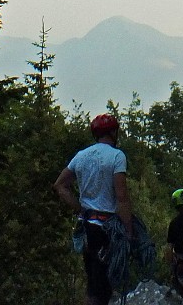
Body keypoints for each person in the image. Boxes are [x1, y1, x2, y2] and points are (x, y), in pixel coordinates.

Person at [53, 113, 135, 305]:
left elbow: (59, 186)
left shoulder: (81, 156)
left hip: (87, 226)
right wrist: (129, 232)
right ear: (113, 132)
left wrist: (79, 209)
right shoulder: (116, 156)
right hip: (107, 229)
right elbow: (122, 197)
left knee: (93, 283)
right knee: (104, 287)